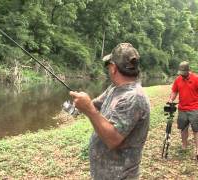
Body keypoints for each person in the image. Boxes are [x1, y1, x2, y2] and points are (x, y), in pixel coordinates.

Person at [70, 43, 150, 179]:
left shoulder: (134, 97)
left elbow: (113, 139)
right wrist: (83, 103)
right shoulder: (115, 88)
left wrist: (88, 109)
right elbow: (95, 104)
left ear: (113, 68)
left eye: (108, 66)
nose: (108, 69)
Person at [168, 61, 198, 160]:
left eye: (183, 73)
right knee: (183, 128)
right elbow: (174, 90)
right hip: (182, 108)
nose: (182, 75)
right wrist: (171, 99)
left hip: (194, 108)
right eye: (180, 73)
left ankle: (197, 150)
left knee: (196, 130)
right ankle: (184, 146)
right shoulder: (178, 79)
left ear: (188, 70)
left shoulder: (196, 79)